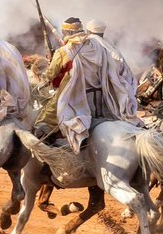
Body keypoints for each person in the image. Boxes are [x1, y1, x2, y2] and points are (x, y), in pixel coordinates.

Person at [38, 17, 141, 153]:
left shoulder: (63, 51)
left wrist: (42, 78)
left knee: (43, 122)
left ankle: (50, 153)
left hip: (75, 97)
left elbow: (50, 74)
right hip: (101, 96)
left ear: (66, 33)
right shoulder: (98, 46)